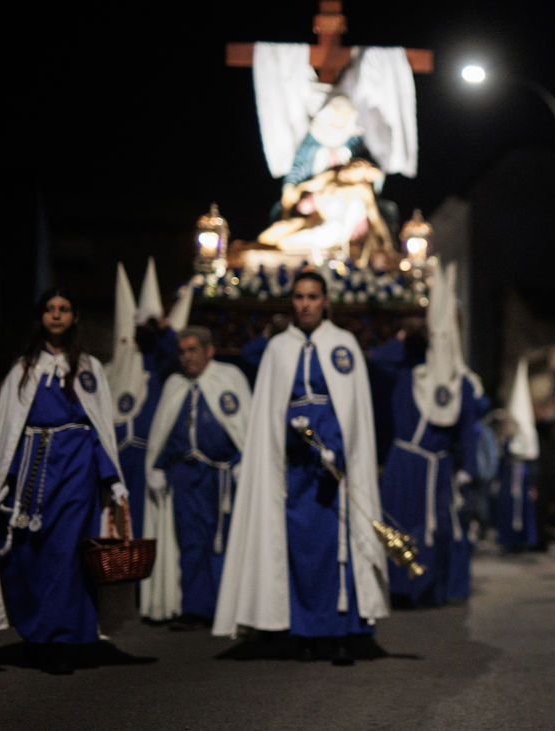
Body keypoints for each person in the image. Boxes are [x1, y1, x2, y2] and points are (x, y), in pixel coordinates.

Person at [213, 270, 387, 666]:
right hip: (294, 467)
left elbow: (353, 409)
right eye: (299, 297)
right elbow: (269, 411)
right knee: (300, 548)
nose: (305, 304)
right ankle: (305, 633)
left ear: (325, 301)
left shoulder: (343, 344)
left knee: (338, 546)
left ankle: (341, 633)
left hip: (334, 467)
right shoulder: (278, 348)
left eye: (312, 297)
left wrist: (337, 448)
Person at [0, 289, 128, 674]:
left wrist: (112, 477)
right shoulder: (24, 368)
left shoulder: (88, 368)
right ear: (41, 317)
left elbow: (99, 428)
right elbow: (9, 430)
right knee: (30, 553)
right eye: (50, 309)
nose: (56, 315)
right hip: (32, 471)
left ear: (74, 317)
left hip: (76, 471)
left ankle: (61, 640)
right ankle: (38, 635)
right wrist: (4, 478)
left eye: (64, 309)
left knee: (67, 554)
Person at [368, 264, 479, 608]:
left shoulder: (460, 383)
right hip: (404, 463)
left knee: (436, 528)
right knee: (399, 522)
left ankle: (431, 589)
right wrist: (404, 337)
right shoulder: (407, 371)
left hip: (438, 467)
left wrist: (467, 468)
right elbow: (376, 360)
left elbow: (469, 426)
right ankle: (400, 589)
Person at [140, 326, 250, 629]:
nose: (187, 357)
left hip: (221, 476)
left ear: (209, 350)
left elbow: (244, 426)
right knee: (190, 541)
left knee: (222, 541)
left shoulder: (229, 378)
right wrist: (159, 466)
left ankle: (226, 608)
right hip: (186, 476)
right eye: (182, 352)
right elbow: (166, 431)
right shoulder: (175, 384)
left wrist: (242, 461)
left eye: (193, 350)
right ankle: (195, 608)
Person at [107, 259, 191, 539]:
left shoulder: (163, 367)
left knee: (146, 528)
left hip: (149, 457)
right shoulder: (115, 367)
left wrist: (163, 328)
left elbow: (174, 354)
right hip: (120, 458)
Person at [497, 359, 539, 553]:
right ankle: (509, 539)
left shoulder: (525, 435)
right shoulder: (508, 437)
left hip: (521, 473)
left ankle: (521, 539)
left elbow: (528, 453)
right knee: (508, 506)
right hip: (510, 473)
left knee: (521, 507)